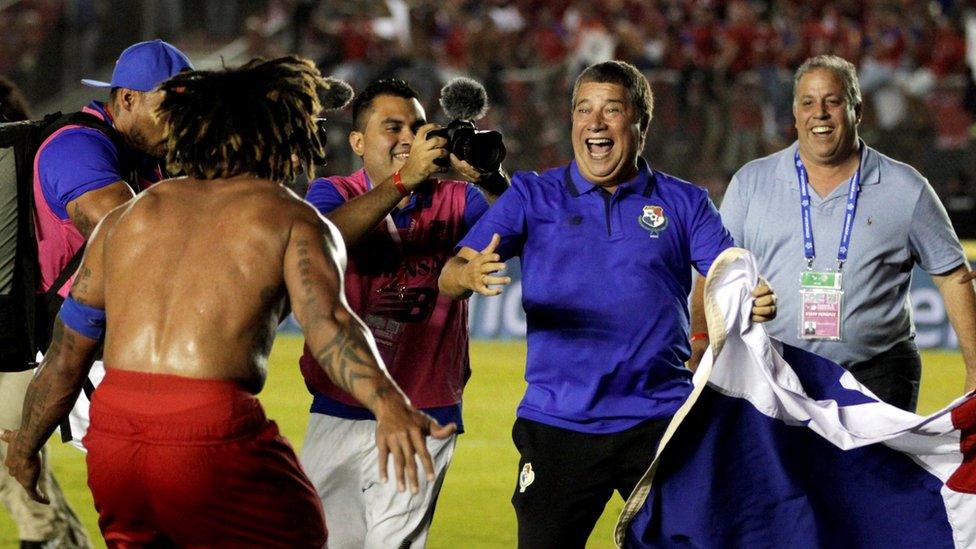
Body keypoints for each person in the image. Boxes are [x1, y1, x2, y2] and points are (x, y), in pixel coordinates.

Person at [1, 56, 452, 547]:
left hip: (115, 439)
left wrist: (26, 448)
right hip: (209, 431)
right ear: (278, 135)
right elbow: (330, 327)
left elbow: (67, 355)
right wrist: (390, 405)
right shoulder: (289, 218)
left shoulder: (128, 218)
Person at [438, 60, 776, 548]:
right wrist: (467, 273)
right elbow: (450, 274)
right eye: (583, 110)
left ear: (640, 123)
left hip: (659, 423)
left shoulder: (685, 202)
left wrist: (752, 297)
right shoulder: (533, 195)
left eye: (611, 110)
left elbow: (726, 270)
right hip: (558, 425)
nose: (595, 123)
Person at [299, 77, 504, 548]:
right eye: (392, 127)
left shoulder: (458, 199)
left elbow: (522, 222)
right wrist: (402, 181)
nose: (409, 138)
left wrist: (489, 176)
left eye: (416, 125)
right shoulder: (331, 191)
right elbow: (325, 238)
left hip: (423, 411)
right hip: (338, 406)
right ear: (357, 141)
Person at [714, 54, 976, 411]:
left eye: (832, 101)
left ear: (857, 110)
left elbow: (953, 277)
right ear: (794, 113)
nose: (819, 113)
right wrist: (721, 322)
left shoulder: (906, 188)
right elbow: (715, 272)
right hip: (775, 373)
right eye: (808, 102)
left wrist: (975, 373)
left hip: (878, 374)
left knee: (877, 470)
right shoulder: (750, 183)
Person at [33, 39, 193, 447]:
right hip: (92, 356)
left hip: (127, 348)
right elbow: (133, 243)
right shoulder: (75, 148)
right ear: (127, 99)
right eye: (173, 111)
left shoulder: (143, 156)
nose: (184, 124)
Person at [0, 74, 91, 549]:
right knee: (21, 478)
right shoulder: (27, 157)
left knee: (18, 479)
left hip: (14, 349)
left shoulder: (21, 159)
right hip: (21, 345)